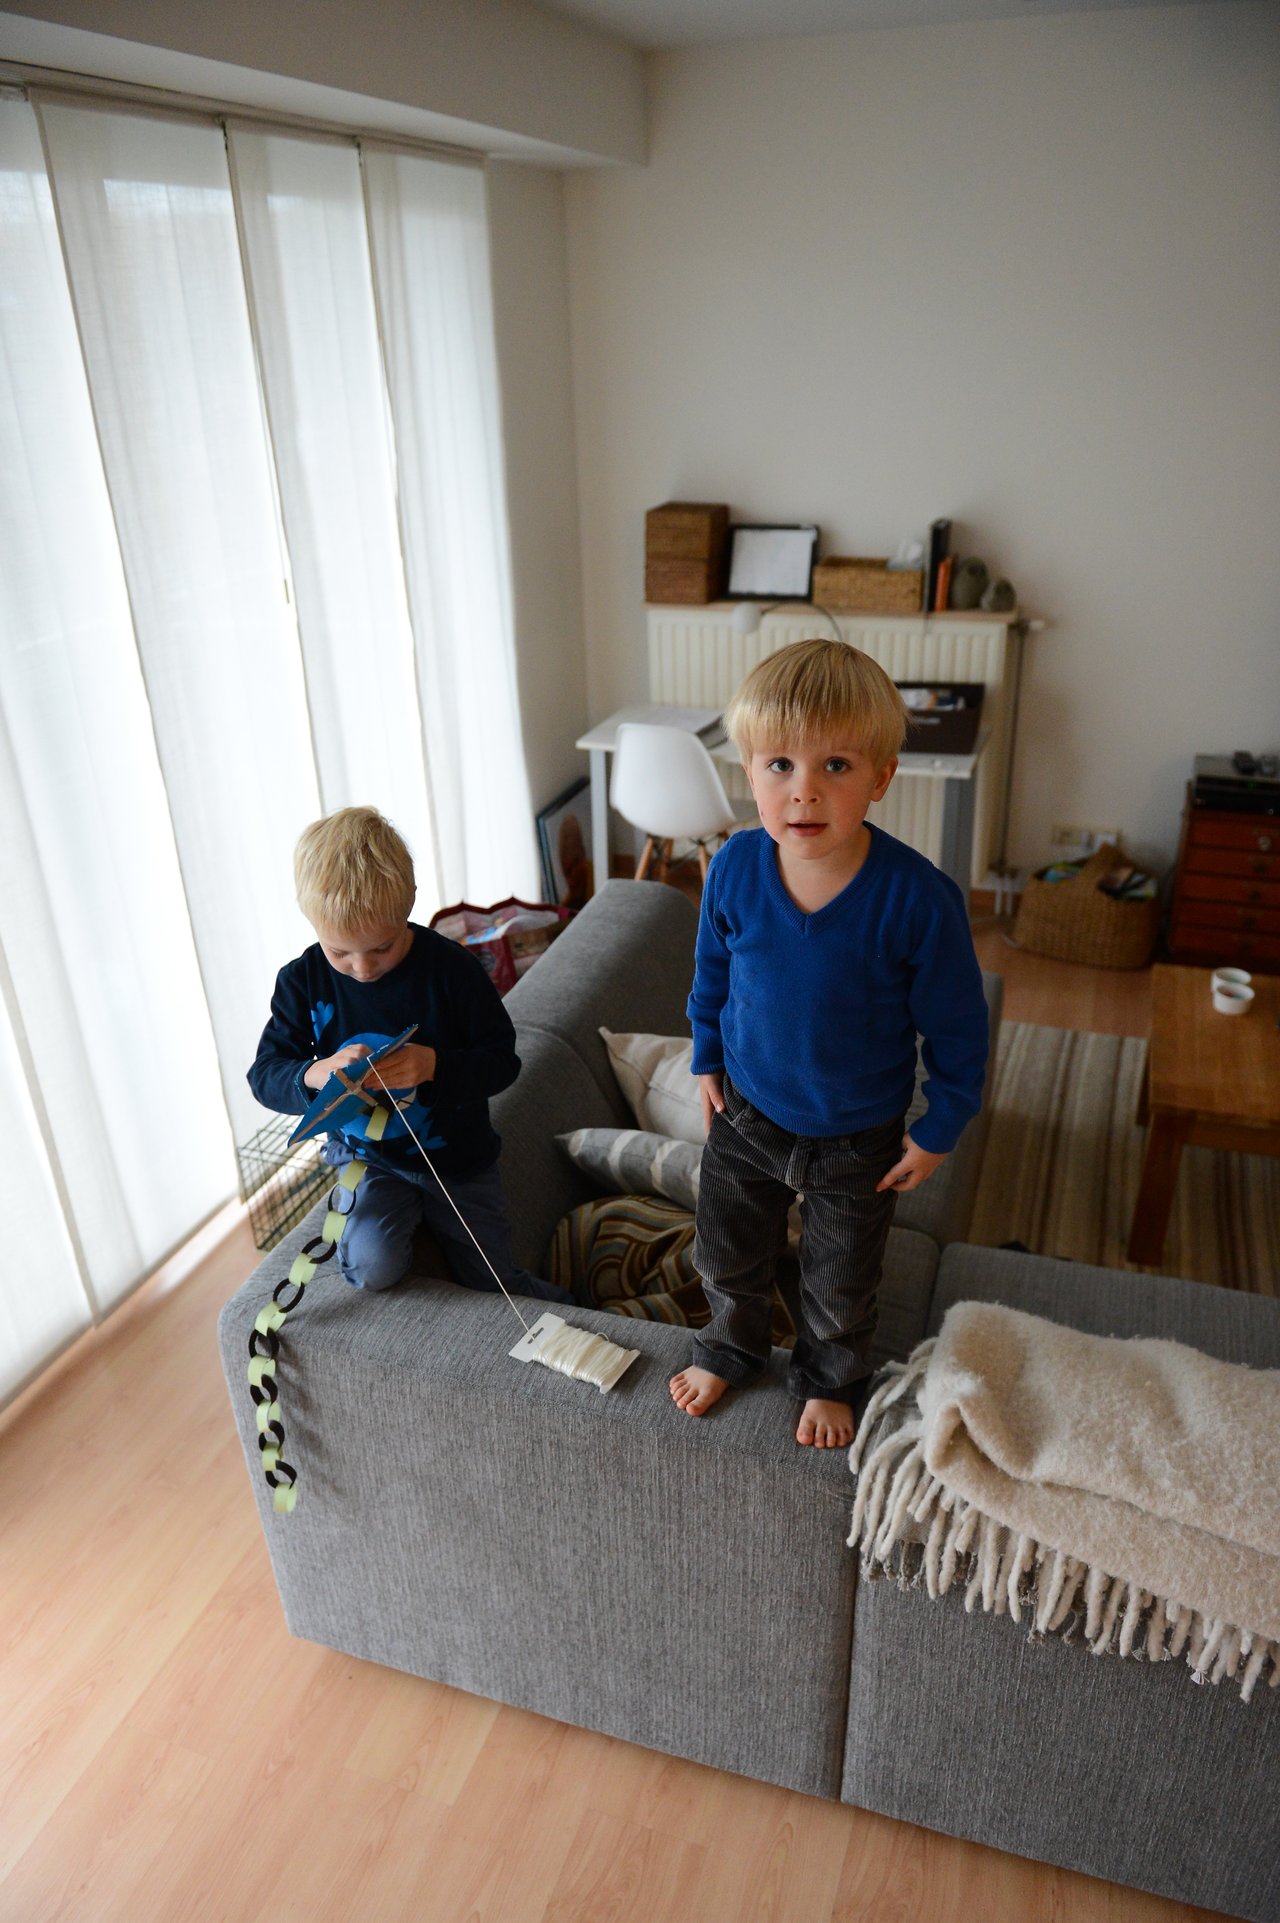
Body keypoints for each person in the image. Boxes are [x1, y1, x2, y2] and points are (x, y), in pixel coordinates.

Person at [670, 640, 989, 1448]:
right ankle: (729, 1346)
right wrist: (706, 1052)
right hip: (745, 1115)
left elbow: (957, 1026)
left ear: (881, 778)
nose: (803, 789)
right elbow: (713, 971)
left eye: (836, 766)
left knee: (841, 1281)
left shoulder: (920, 901)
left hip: (859, 1138)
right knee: (728, 1251)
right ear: (749, 773)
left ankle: (831, 1376)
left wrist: (940, 1125)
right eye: (779, 763)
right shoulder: (734, 868)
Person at [248, 806, 568, 1302]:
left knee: (493, 1282)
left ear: (410, 904)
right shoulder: (301, 981)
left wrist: (433, 1066)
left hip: (458, 1160)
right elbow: (265, 1075)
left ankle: (573, 1307)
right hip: (368, 1162)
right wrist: (317, 1073)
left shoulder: (452, 971)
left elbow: (503, 1061)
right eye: (340, 952)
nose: (362, 968)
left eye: (382, 947)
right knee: (369, 1271)